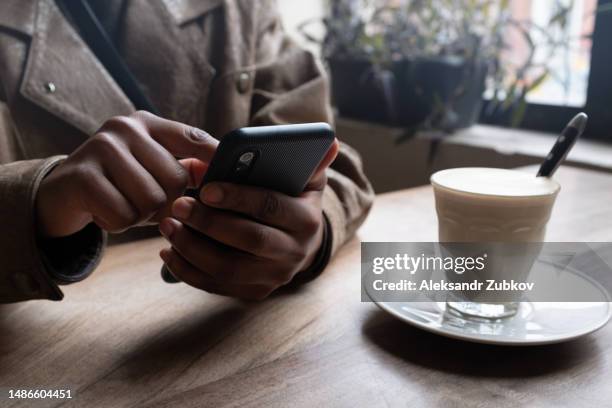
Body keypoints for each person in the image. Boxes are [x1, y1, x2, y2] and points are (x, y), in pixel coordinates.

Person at [0, 0, 374, 303]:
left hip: (226, 334)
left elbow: (333, 165)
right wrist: (37, 206)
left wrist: (309, 233)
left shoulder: (241, 9)